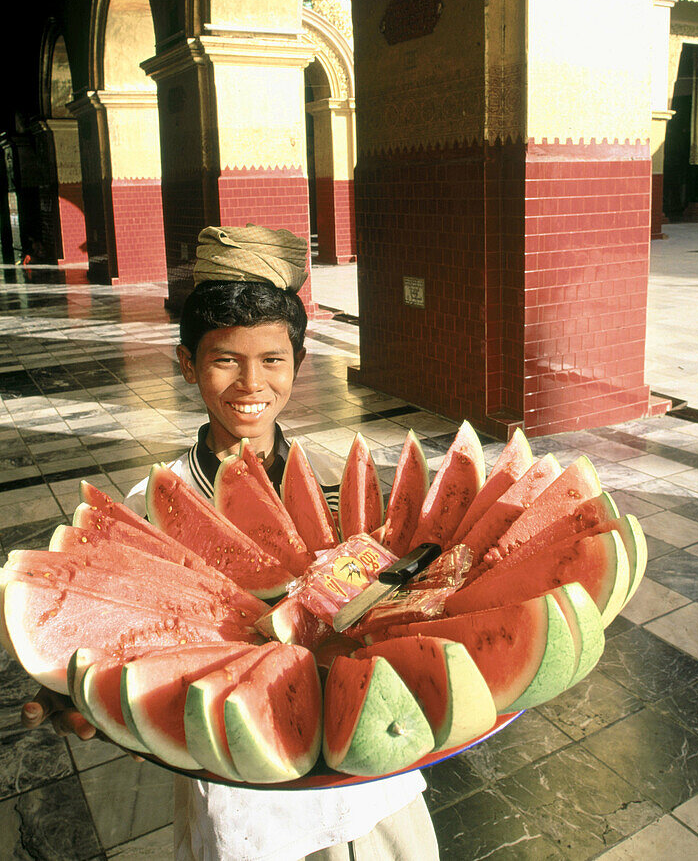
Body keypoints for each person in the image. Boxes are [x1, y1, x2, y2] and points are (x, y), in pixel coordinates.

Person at [22, 225, 440, 861]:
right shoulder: (149, 507)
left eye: (273, 361)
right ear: (188, 365)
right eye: (225, 361)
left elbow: (389, 586)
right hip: (239, 777)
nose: (252, 384)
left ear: (298, 364)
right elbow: (123, 625)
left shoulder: (334, 479)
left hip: (363, 767)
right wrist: (76, 686)